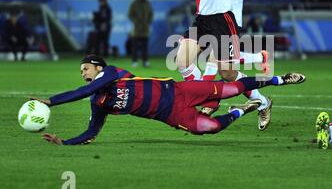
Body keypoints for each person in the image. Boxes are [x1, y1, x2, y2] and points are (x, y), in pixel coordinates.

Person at [32, 55, 306, 145]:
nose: (83, 73)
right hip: (169, 115)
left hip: (178, 91)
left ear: (97, 67)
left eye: (85, 69)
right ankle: (242, 110)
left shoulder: (112, 74)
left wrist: (51, 102)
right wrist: (65, 142)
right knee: (210, 128)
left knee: (231, 87)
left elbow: (83, 91)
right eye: (81, 71)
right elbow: (92, 132)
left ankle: (279, 79)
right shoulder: (98, 103)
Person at [198, 0, 289, 129]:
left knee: (216, 65)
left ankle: (208, 105)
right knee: (226, 72)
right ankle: (262, 101)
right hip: (213, 23)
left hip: (230, 26)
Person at [128, 0, 153, 67]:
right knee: (135, 47)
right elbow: (130, 14)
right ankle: (134, 61)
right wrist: (136, 21)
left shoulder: (147, 3)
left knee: (145, 47)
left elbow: (151, 14)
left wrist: (148, 21)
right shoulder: (134, 3)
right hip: (136, 29)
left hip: (145, 29)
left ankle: (145, 61)